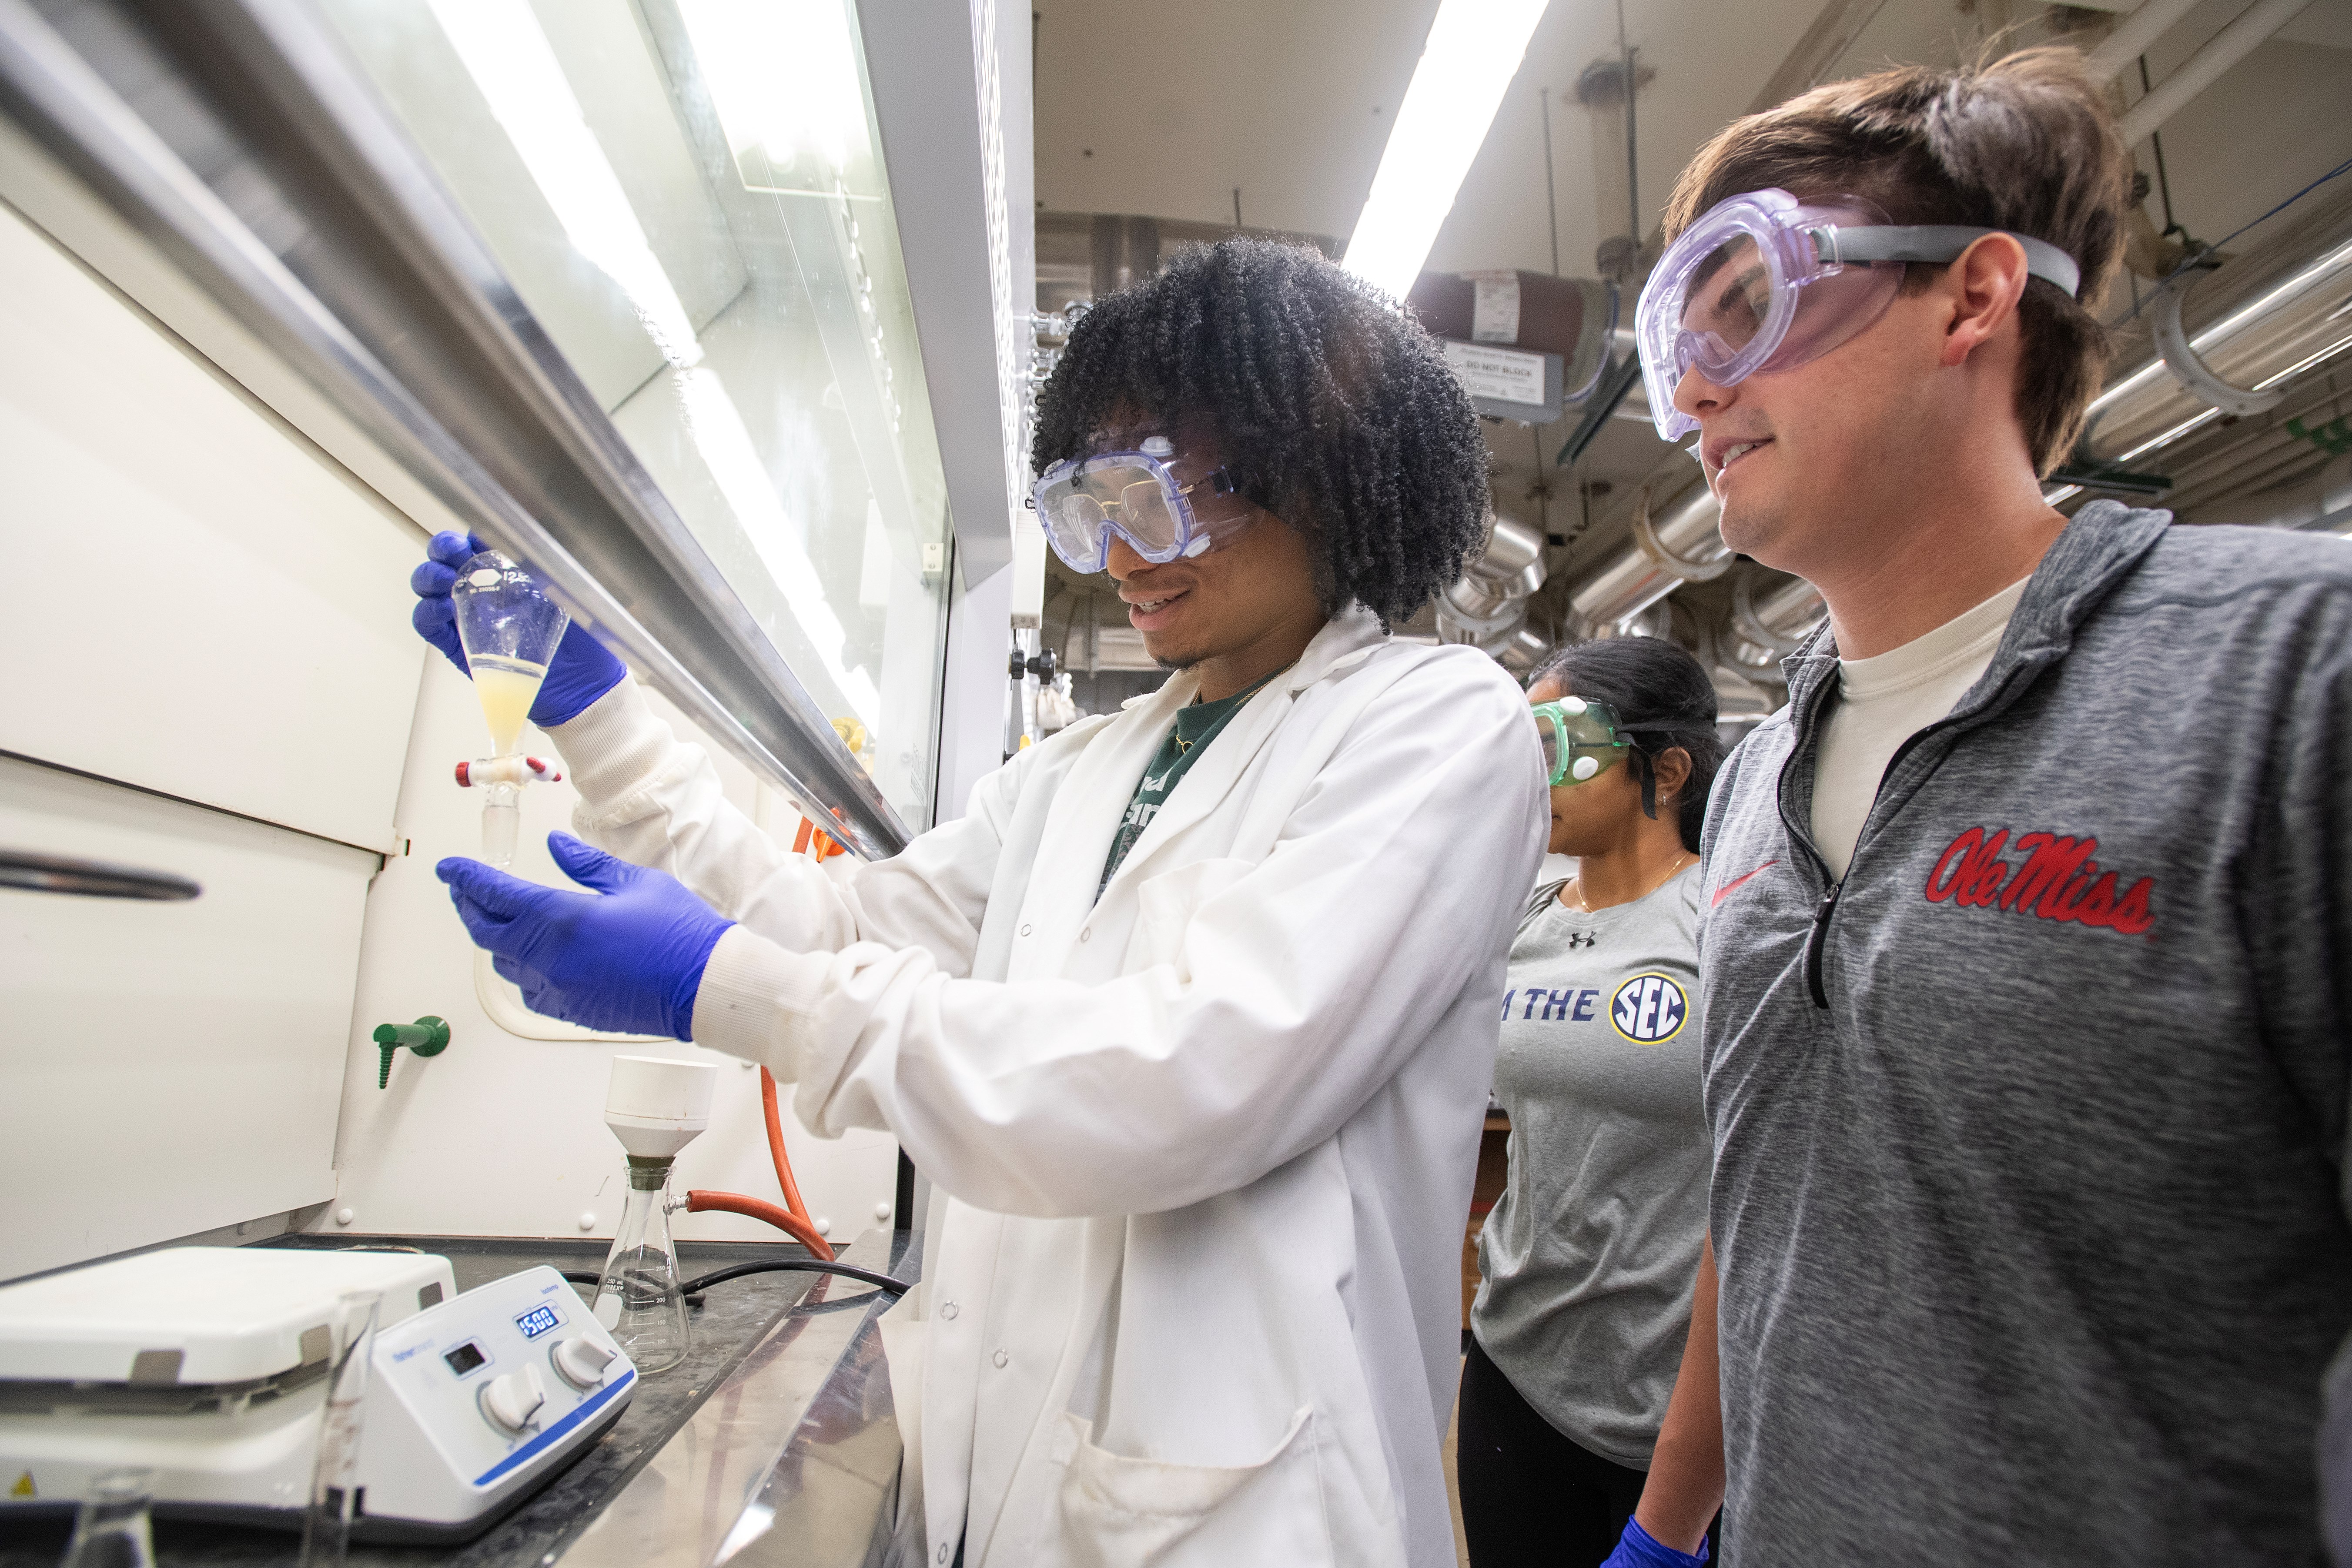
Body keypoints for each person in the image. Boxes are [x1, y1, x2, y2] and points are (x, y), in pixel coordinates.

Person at [412, 238, 1549, 1568]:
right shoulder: (1079, 766)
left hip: (1249, 1514)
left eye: (1154, 496)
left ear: (1324, 471)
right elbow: (837, 928)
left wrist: (711, 982)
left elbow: (1192, 1075)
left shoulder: (1437, 724)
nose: (1119, 555)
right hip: (994, 1480)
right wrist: (602, 723)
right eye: (1085, 505)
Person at [1603, 47, 2352, 1568]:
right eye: (1674, 340)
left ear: (1968, 297)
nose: (1688, 389)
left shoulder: (2290, 670)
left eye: (1742, 304)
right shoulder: (1751, 782)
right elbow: (1761, 1209)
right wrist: (1667, 1528)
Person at [1456, 636, 1725, 1568]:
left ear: (1667, 768)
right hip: (1513, 1369)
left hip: (1674, 1408)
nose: (1536, 776)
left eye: (1559, 745)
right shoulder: (1523, 925)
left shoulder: (1729, 926)